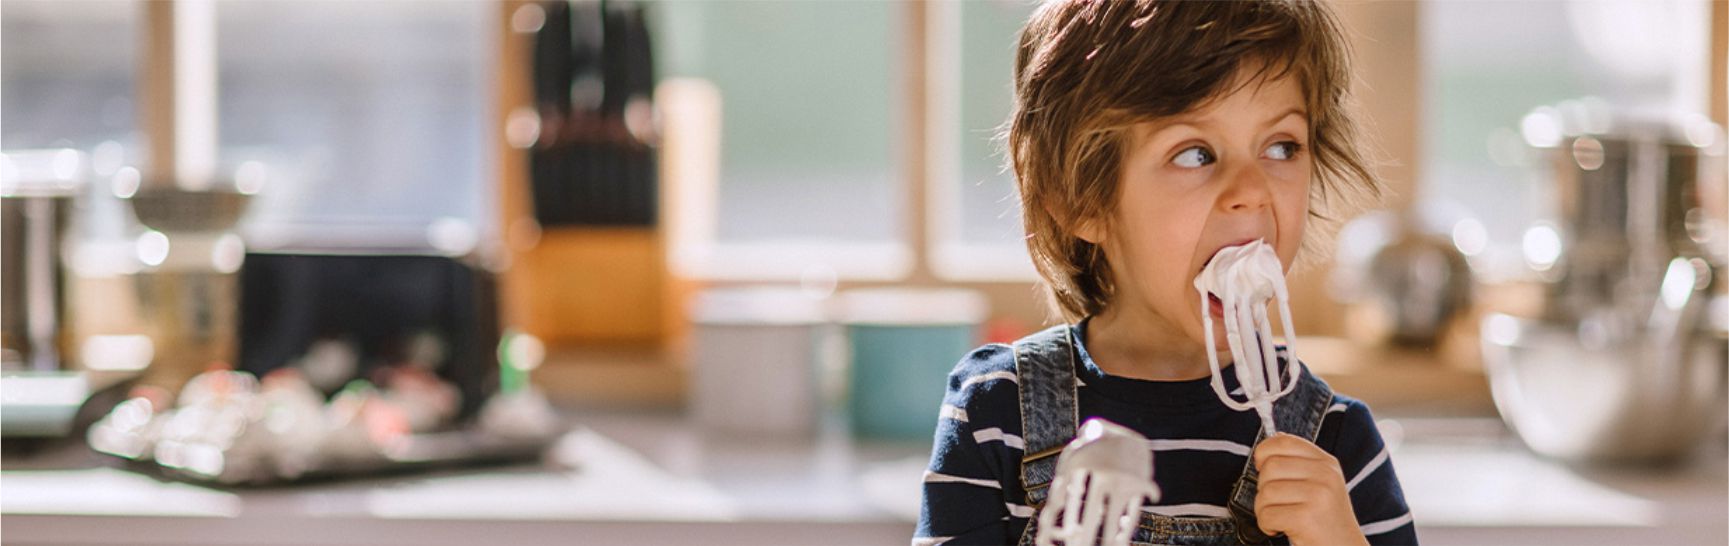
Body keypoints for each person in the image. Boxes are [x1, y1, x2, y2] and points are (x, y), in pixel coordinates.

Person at [915, 1, 1415, 544]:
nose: (1251, 191)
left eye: (1281, 146)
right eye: (1196, 154)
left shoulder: (1337, 443)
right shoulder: (996, 415)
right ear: (1081, 200)